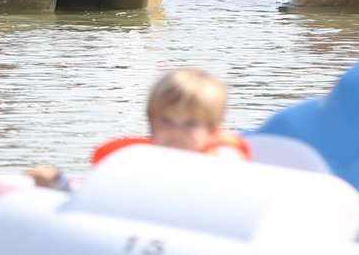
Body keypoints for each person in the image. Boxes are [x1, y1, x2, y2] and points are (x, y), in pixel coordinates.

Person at [30, 68, 248, 188]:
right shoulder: (134, 165)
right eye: (166, 121)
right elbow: (91, 200)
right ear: (151, 123)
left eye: (190, 124)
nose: (176, 131)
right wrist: (57, 183)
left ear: (212, 130)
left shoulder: (224, 168)